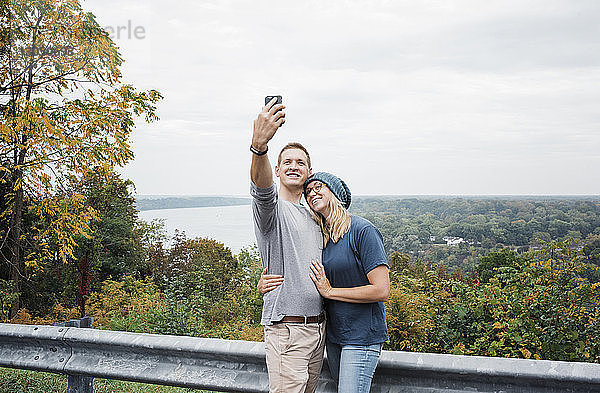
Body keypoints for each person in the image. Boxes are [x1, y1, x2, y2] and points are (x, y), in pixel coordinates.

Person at [250, 98, 326, 393]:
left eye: (301, 163)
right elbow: (262, 188)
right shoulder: (273, 211)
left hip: (318, 330)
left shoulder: (317, 216)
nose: (294, 166)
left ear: (310, 172)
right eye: (287, 163)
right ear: (278, 170)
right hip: (287, 329)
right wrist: (260, 147)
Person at [306, 172, 390, 393]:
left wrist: (330, 291)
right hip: (335, 337)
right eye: (307, 192)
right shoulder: (323, 237)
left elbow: (381, 290)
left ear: (334, 192)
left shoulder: (363, 231)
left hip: (361, 335)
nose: (312, 193)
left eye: (318, 187)